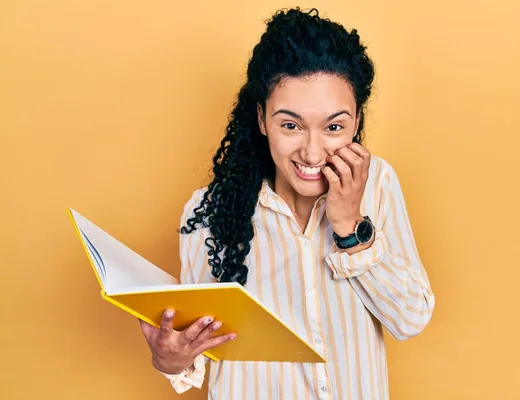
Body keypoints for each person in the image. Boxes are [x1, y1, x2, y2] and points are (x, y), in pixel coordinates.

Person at [139, 7, 435, 399]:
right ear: (262, 120)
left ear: (357, 120)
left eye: (334, 127)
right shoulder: (210, 210)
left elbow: (410, 319)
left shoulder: (376, 184)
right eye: (291, 125)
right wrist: (171, 360)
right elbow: (195, 349)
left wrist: (350, 227)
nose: (313, 154)